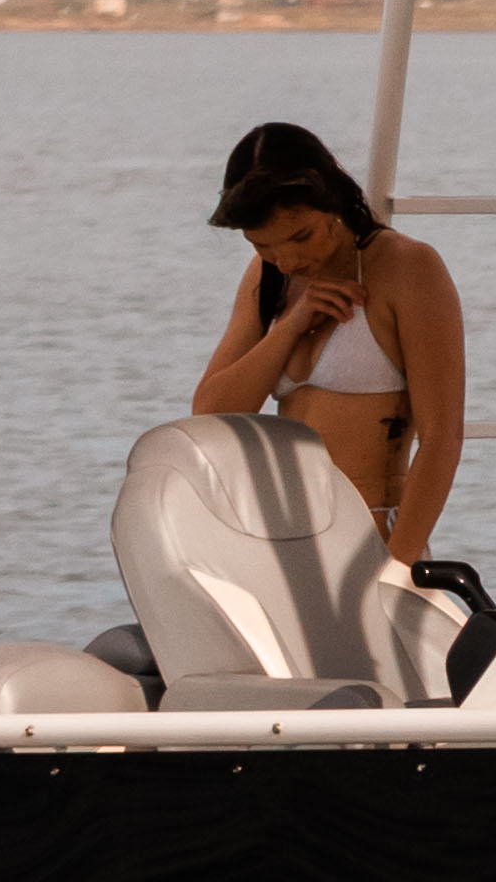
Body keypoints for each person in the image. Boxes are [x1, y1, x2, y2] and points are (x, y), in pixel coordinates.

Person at [184, 119, 469, 578]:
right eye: (262, 245)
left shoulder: (407, 269)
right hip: (277, 547)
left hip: (372, 545)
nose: (289, 260)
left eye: (301, 236)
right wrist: (290, 327)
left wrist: (396, 571)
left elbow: (442, 440)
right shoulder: (267, 278)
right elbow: (210, 412)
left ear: (333, 196)